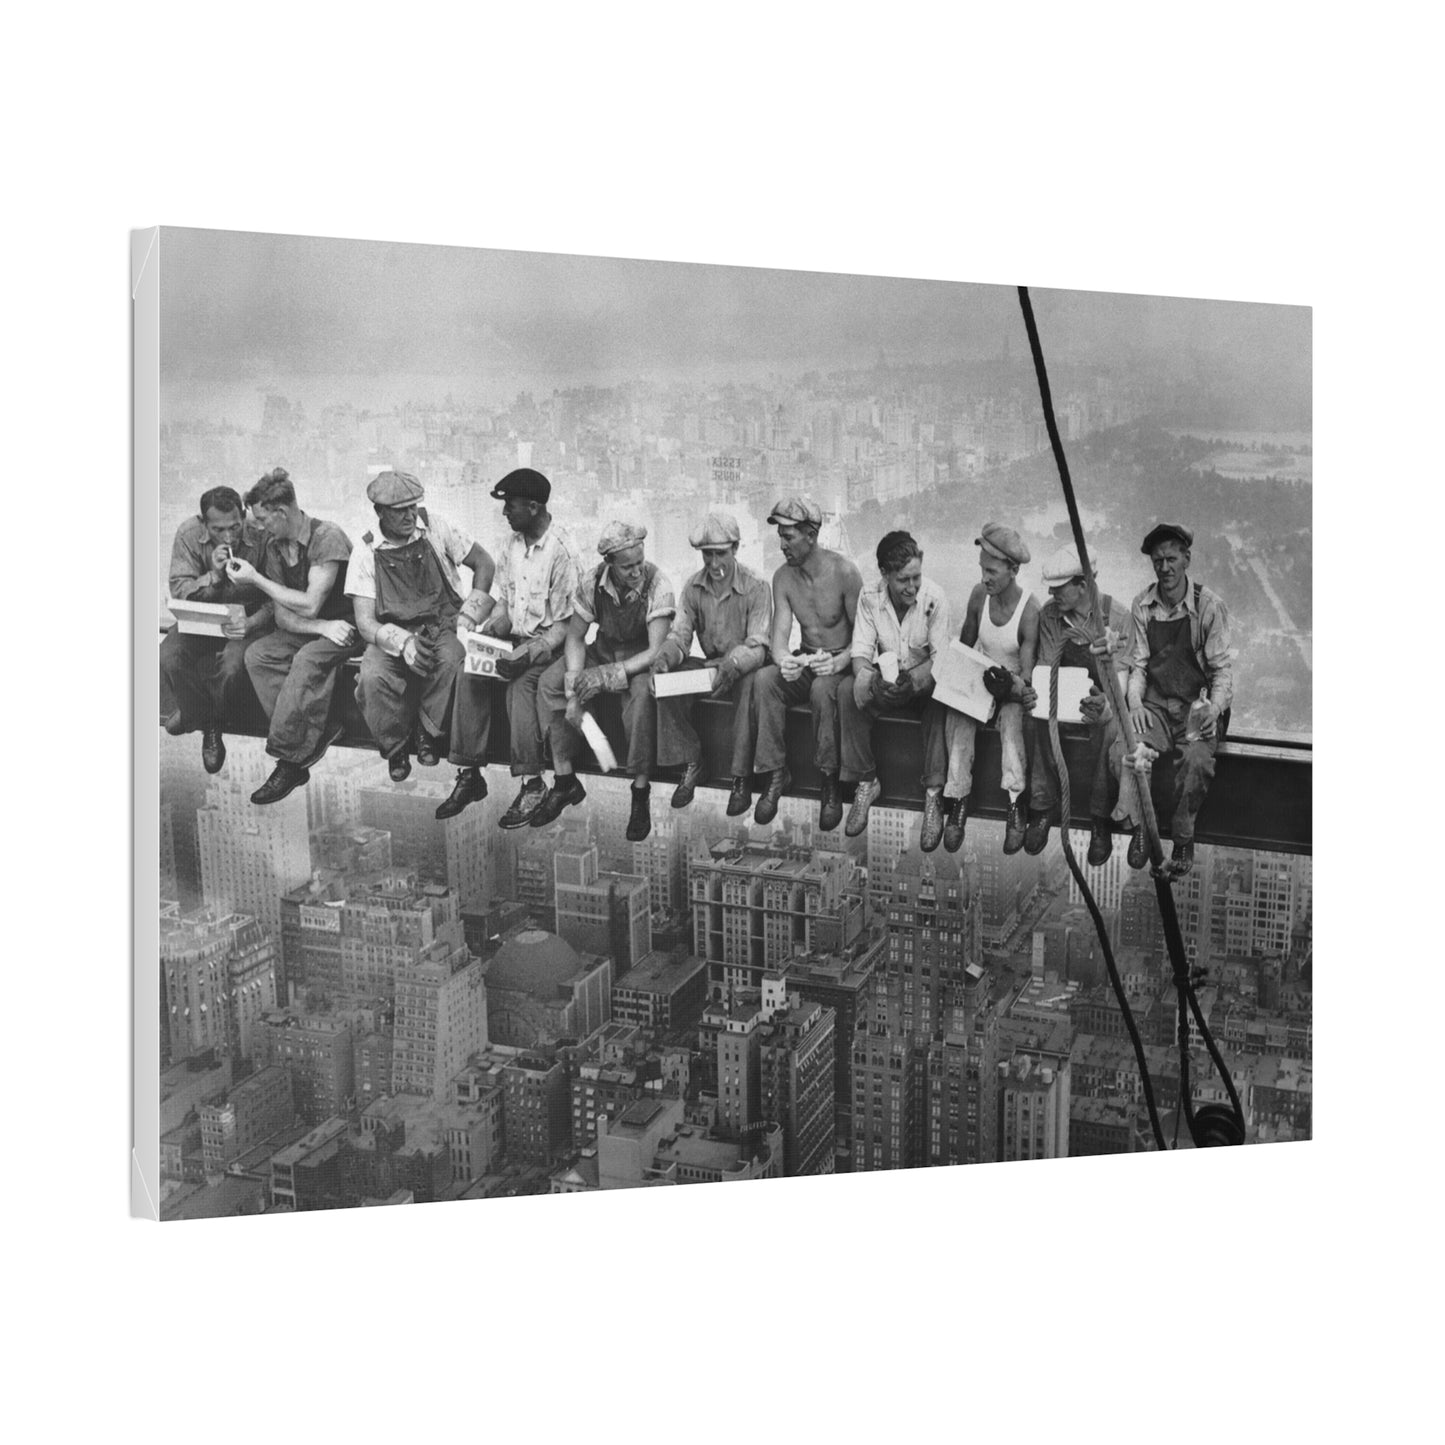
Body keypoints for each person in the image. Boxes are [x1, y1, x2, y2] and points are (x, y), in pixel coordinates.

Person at [439, 468, 580, 826]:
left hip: (547, 649)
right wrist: (489, 632)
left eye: (511, 506)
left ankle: (532, 783)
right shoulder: (511, 545)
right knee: (470, 671)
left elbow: (565, 625)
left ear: (533, 507)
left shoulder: (562, 552)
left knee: (521, 688)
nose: (505, 514)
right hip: (514, 641)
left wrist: (529, 654)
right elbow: (505, 602)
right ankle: (469, 775)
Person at [346, 470, 495, 798]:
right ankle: (396, 746)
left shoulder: (437, 527)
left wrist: (470, 614)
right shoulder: (366, 550)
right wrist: (402, 643)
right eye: (400, 510)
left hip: (442, 623)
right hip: (391, 631)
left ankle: (429, 732)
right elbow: (365, 622)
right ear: (380, 512)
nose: (410, 515)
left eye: (413, 506)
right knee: (371, 677)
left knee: (453, 660)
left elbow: (485, 564)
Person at [531, 521, 675, 841]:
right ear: (610, 564)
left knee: (641, 701)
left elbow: (655, 651)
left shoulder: (658, 584)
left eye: (639, 563)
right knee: (549, 684)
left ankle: (639, 791)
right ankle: (565, 779)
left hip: (639, 661)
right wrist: (574, 687)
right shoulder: (591, 582)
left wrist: (605, 678)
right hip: (604, 648)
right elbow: (576, 638)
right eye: (627, 568)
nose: (636, 572)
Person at [224, 468, 361, 804]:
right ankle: (317, 730)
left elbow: (311, 603)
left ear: (281, 513)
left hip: (348, 627)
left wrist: (256, 579)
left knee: (307, 660)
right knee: (258, 655)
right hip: (317, 629)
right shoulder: (274, 545)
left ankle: (289, 760)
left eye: (262, 518)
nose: (257, 526)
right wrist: (319, 628)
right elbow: (284, 614)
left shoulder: (327, 537)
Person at [1117, 521, 1234, 878]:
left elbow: (1221, 671)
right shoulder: (1143, 605)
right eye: (1157, 561)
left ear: (1186, 559)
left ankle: (1183, 839)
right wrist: (1134, 704)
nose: (1164, 568)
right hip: (1156, 705)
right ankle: (1139, 828)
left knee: (1196, 762)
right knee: (1130, 748)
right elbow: (1137, 666)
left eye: (1171, 559)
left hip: (1197, 709)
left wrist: (1214, 709)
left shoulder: (1208, 607)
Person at [651, 510, 772, 815]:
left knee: (749, 688)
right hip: (709, 667)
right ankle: (693, 761)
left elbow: (758, 645)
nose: (714, 563)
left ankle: (741, 777)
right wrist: (664, 659)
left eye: (721, 554)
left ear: (735, 549)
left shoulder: (756, 586)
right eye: (708, 555)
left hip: (742, 667)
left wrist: (732, 664)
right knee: (667, 686)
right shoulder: (693, 587)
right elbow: (680, 636)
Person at [752, 497, 862, 830]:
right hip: (808, 656)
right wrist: (785, 661)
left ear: (811, 535)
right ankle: (775, 772)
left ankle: (829, 781)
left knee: (822, 690)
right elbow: (780, 639)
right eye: (780, 536)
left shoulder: (845, 573)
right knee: (765, 681)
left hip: (841, 663)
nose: (782, 544)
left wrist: (840, 660)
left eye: (789, 537)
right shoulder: (783, 578)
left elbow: (865, 638)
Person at [837, 531, 952, 848]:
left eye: (916, 577)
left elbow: (941, 661)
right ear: (884, 574)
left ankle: (933, 795)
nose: (912, 587)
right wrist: (868, 679)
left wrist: (914, 683)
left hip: (922, 684)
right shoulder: (869, 596)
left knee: (940, 702)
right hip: (886, 681)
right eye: (903, 580)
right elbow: (860, 651)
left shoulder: (935, 598)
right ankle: (866, 780)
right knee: (848, 691)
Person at [1023, 544, 1132, 863]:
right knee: (1035, 717)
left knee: (1109, 728)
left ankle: (1100, 818)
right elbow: (1045, 667)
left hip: (1102, 698)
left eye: (1060, 589)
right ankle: (1042, 806)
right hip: (1063, 691)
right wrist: (1041, 695)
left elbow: (1121, 678)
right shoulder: (1049, 616)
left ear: (1083, 585)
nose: (1053, 595)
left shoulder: (1118, 616)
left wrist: (1105, 703)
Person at [160, 485, 272, 774]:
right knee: (169, 657)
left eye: (235, 527)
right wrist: (214, 576)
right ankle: (201, 717)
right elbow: (181, 591)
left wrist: (251, 622)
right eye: (218, 529)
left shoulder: (261, 534)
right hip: (200, 619)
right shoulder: (188, 534)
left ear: (243, 516)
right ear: (203, 523)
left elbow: (275, 595)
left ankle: (206, 722)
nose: (229, 536)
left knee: (233, 667)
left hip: (244, 621)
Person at [941, 522, 1038, 854]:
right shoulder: (978, 596)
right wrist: (954, 680)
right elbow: (966, 648)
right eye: (982, 569)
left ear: (1013, 570)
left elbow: (1027, 676)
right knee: (958, 715)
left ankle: (1015, 801)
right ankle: (958, 799)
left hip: (1009, 687)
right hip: (983, 677)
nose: (985, 577)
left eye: (992, 571)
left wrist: (1010, 686)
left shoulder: (1029, 610)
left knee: (1012, 723)